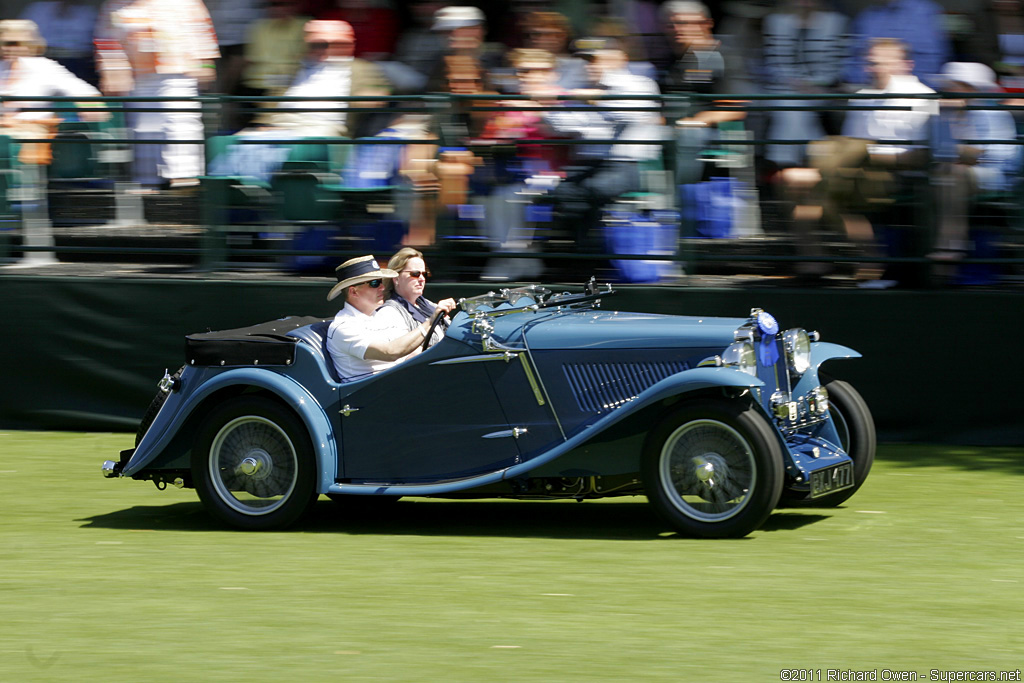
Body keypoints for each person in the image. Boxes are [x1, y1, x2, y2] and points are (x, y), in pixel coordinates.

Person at [94, 0, 220, 188]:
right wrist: (112, 70)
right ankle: (148, 184)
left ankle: (184, 179)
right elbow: (106, 40)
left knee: (180, 122)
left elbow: (203, 36)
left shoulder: (187, 3)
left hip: (178, 72)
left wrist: (206, 65)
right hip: (138, 76)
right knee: (143, 130)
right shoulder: (115, 5)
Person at [930, 62, 1021, 263]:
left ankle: (951, 245)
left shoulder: (994, 114)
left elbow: (1001, 156)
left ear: (972, 88)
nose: (949, 90)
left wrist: (965, 155)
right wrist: (960, 153)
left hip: (992, 175)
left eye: (956, 85)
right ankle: (946, 250)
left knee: (952, 174)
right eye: (950, 85)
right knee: (949, 173)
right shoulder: (942, 114)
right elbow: (939, 151)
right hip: (949, 173)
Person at [326, 255, 455, 381]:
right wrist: (431, 321)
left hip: (397, 383)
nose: (382, 287)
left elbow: (408, 353)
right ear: (354, 292)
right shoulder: (344, 327)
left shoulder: (379, 317)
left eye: (381, 282)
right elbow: (391, 352)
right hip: (370, 394)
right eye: (375, 283)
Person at [841, 0, 951, 90]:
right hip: (870, 91)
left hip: (917, 93)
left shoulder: (925, 12)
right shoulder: (868, 16)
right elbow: (856, 57)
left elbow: (935, 58)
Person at [375, 248, 457, 348]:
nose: (422, 279)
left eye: (424, 274)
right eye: (415, 274)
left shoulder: (428, 305)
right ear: (396, 279)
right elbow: (401, 352)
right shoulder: (389, 312)